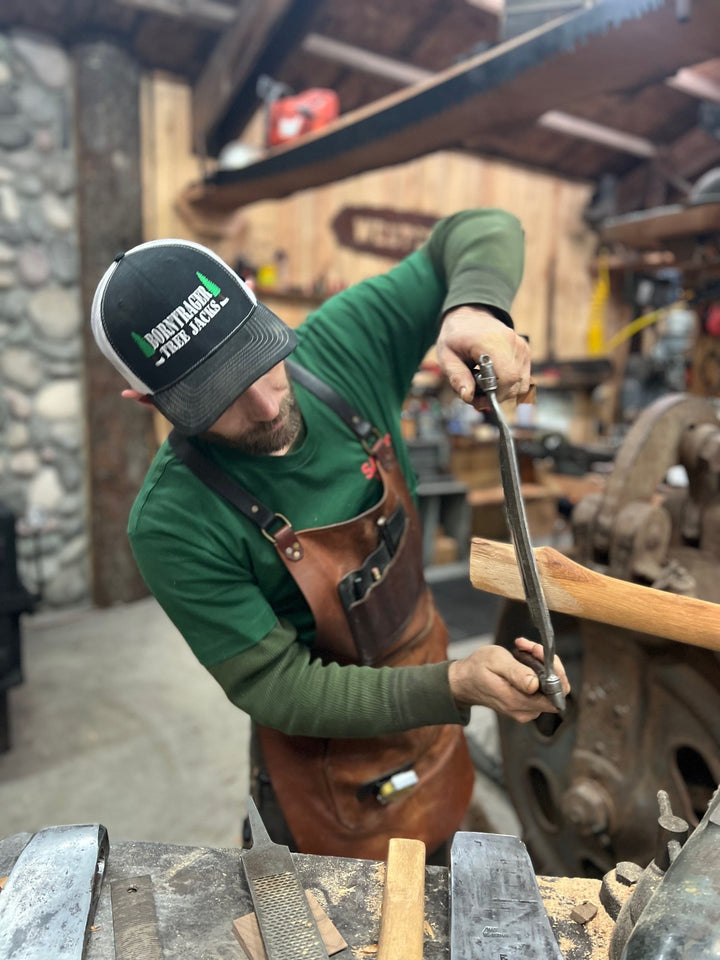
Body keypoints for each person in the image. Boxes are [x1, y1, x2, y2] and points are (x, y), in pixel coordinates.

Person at [90, 209, 570, 863]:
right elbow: (282, 688)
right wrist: (453, 685)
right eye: (216, 398)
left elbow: (484, 226)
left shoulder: (343, 348)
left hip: (436, 707)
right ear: (147, 402)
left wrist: (475, 310)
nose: (264, 406)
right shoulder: (172, 522)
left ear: (255, 307)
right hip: (327, 773)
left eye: (258, 360)